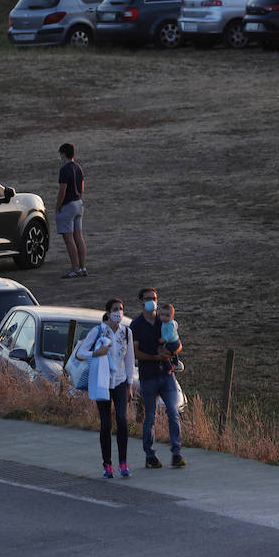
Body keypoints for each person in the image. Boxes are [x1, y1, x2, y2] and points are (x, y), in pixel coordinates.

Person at [78, 297, 135, 478]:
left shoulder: (126, 332)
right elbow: (80, 353)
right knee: (106, 423)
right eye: (115, 309)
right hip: (102, 381)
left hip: (119, 381)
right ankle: (107, 464)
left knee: (122, 419)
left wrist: (130, 385)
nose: (118, 312)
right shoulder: (98, 331)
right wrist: (96, 353)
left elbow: (129, 359)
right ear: (108, 313)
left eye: (121, 308)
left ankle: (123, 462)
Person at [131, 285, 184, 468]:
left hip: (167, 374)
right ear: (141, 302)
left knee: (172, 411)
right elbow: (135, 353)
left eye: (154, 298)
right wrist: (156, 357)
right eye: (147, 298)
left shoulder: (164, 320)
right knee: (150, 416)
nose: (151, 302)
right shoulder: (136, 325)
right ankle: (150, 455)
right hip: (148, 376)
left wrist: (171, 352)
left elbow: (178, 344)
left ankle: (176, 453)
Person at [57, 143, 86, 278]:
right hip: (78, 203)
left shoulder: (64, 170)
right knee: (78, 237)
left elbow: (62, 191)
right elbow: (82, 188)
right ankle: (83, 266)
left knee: (69, 239)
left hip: (68, 205)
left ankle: (75, 268)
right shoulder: (78, 168)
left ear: (64, 154)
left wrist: (58, 206)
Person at [158, 302, 183, 373]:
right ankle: (176, 363)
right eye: (162, 315)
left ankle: (169, 368)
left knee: (164, 355)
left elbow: (169, 333)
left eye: (167, 315)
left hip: (172, 342)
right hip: (176, 341)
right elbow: (176, 325)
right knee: (173, 353)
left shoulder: (169, 324)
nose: (164, 317)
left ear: (172, 317)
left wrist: (163, 339)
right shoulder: (171, 322)